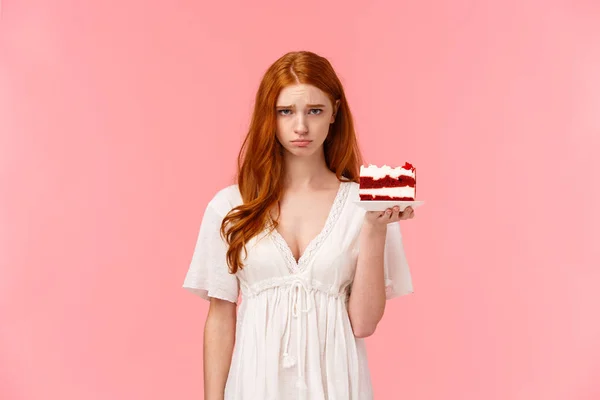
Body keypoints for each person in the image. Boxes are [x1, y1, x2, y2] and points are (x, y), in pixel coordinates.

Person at [183, 50, 415, 400]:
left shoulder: (367, 205)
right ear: (269, 116)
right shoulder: (230, 206)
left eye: (315, 111)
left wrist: (374, 228)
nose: (301, 126)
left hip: (337, 386)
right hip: (254, 385)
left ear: (335, 112)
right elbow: (220, 315)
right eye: (286, 111)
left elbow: (364, 324)